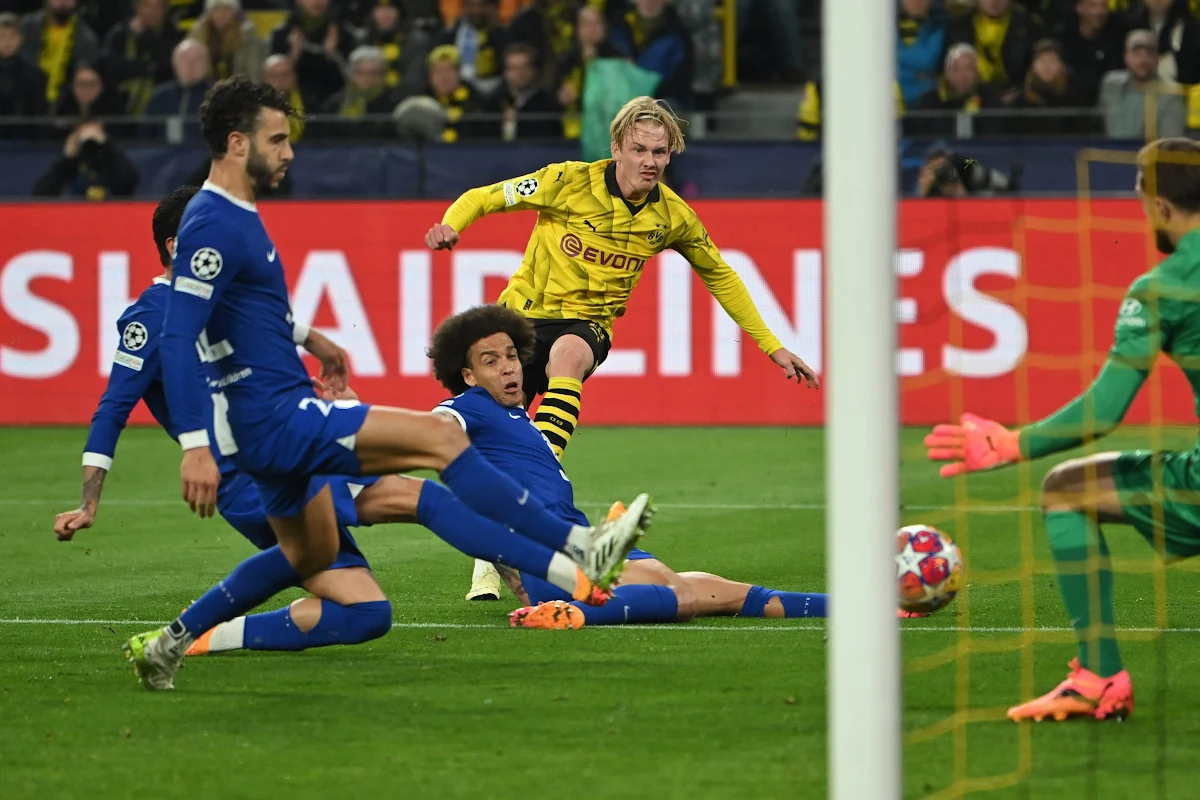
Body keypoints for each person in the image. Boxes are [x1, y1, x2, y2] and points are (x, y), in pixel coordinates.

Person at [121, 76, 653, 690]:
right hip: (274, 425)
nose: (289, 152)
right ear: (238, 144)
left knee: (314, 556)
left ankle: (171, 642)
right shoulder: (213, 221)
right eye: (278, 140)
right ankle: (582, 551)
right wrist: (192, 444)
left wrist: (312, 341)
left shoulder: (233, 215)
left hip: (273, 424)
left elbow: (239, 319)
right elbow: (177, 337)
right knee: (439, 440)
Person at [54, 185, 616, 660]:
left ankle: (189, 637)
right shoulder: (150, 318)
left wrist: (321, 360)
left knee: (367, 613)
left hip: (296, 441)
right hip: (247, 475)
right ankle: (573, 557)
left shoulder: (227, 301)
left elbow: (271, 350)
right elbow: (113, 406)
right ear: (179, 247)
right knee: (411, 496)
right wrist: (91, 499)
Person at [423, 96, 817, 598]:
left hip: (587, 326)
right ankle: (492, 555)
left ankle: (543, 466)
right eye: (640, 150)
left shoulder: (672, 216)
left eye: (661, 152)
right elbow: (485, 196)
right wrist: (454, 223)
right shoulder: (566, 181)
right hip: (519, 321)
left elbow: (720, 274)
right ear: (616, 148)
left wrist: (772, 345)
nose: (650, 162)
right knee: (501, 441)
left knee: (568, 356)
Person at [923, 136, 1200, 723]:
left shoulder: (1165, 287)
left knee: (1065, 490)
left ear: (1162, 207)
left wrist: (1012, 443)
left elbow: (1104, 411)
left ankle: (1100, 677)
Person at [422, 304, 833, 629]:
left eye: (511, 356)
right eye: (491, 362)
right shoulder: (470, 407)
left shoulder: (517, 420)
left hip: (580, 543)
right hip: (560, 556)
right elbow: (436, 425)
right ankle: (574, 612)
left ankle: (867, 607)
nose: (509, 367)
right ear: (469, 376)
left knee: (730, 595)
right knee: (682, 597)